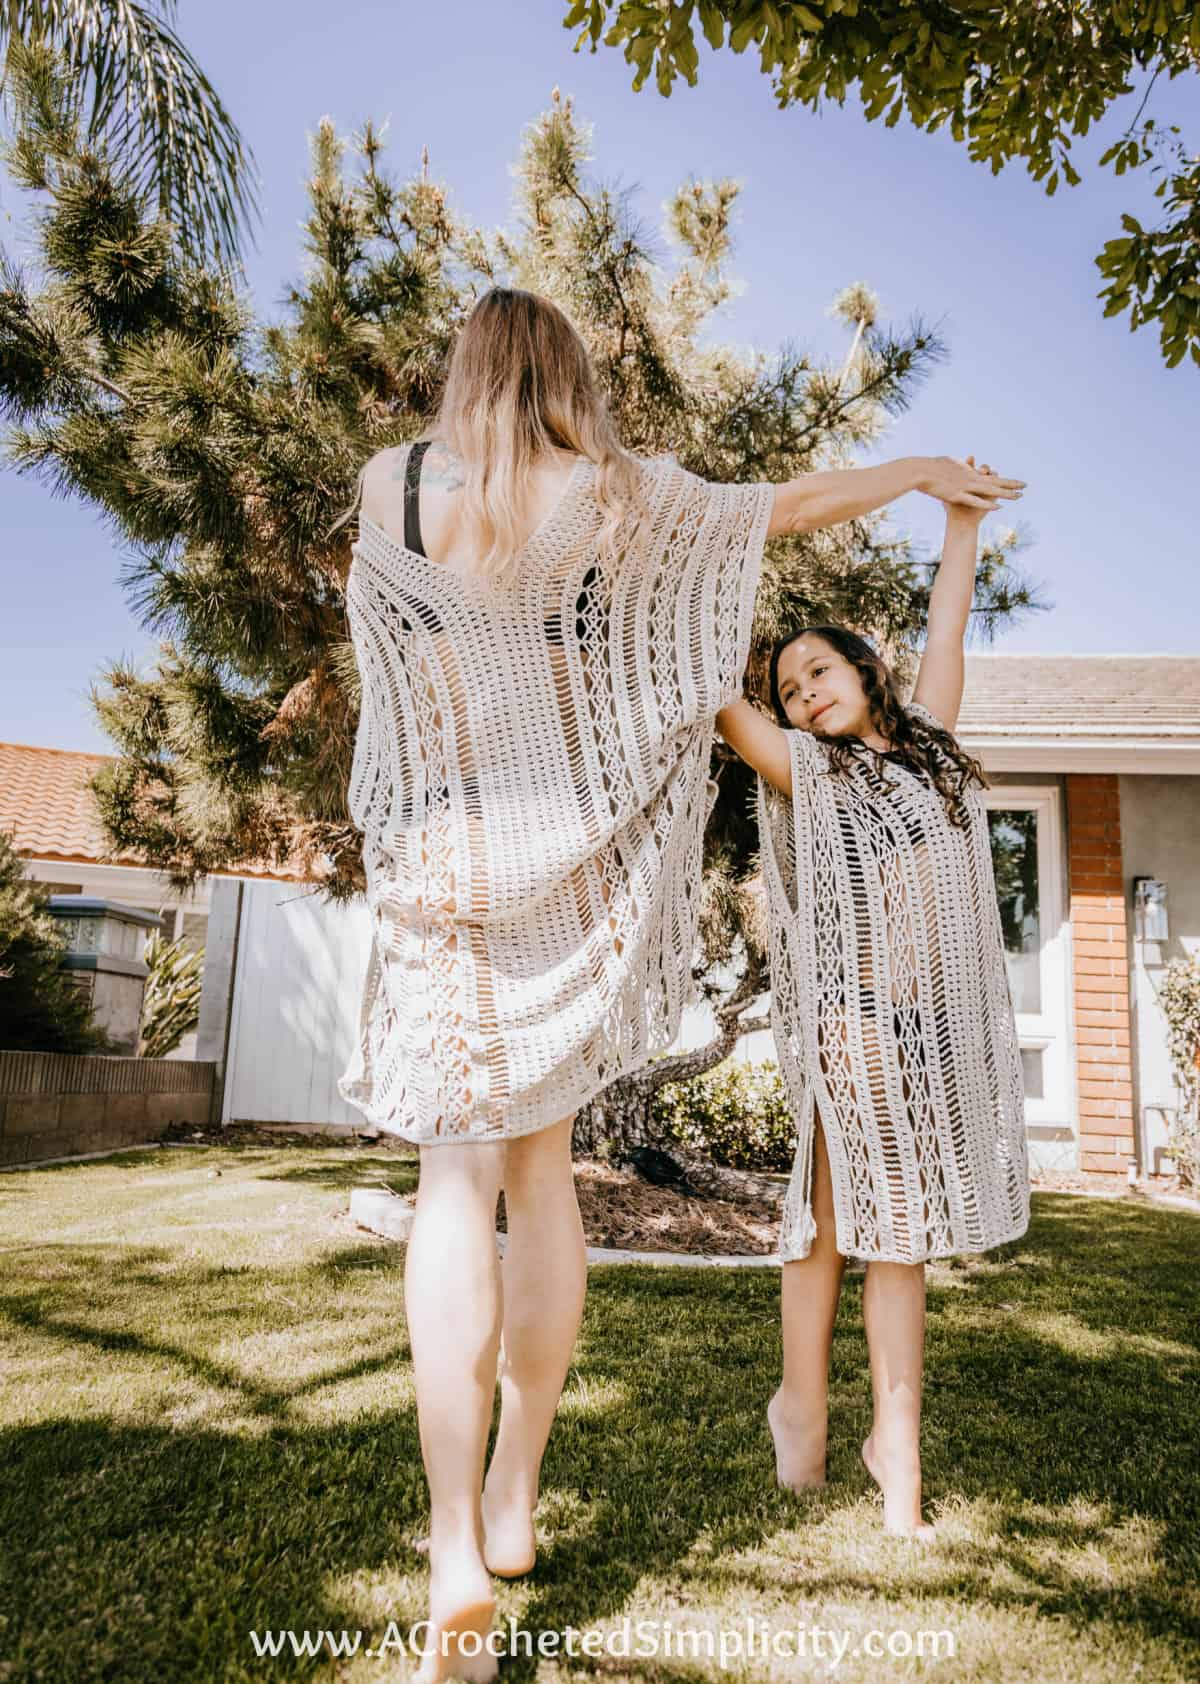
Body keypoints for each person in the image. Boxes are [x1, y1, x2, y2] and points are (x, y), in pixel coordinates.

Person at [339, 288, 1024, 1678]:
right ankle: (522, 1483)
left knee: (450, 1186)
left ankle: (458, 1536)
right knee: (540, 1183)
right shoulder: (614, 491)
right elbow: (773, 511)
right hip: (564, 867)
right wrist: (912, 476)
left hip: (448, 863)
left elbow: (415, 678)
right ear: (567, 373)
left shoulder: (395, 484)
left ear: (465, 366)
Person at [715, 459, 1031, 1540]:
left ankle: (885, 1437)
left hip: (930, 1033)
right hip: (852, 1026)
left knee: (896, 1238)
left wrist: (957, 522)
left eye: (817, 671)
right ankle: (808, 1412)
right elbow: (724, 703)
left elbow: (948, 625)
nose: (803, 692)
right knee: (837, 1229)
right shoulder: (816, 769)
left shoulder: (931, 746)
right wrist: (688, 585)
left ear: (865, 665)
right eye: (790, 687)